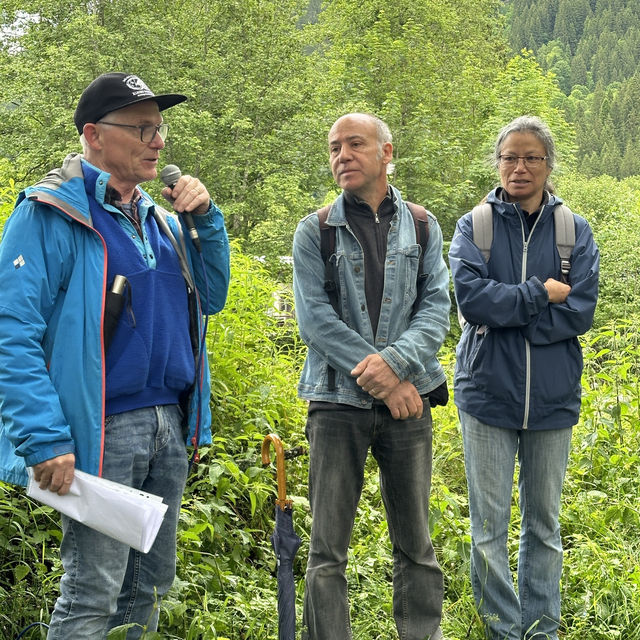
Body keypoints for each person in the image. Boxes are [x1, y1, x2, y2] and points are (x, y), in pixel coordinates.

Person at [0, 72, 230, 639]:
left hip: (166, 427)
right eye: (142, 128)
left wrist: (206, 221)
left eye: (159, 127)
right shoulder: (49, 213)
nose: (158, 141)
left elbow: (214, 294)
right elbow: (11, 331)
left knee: (149, 591)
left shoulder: (160, 218)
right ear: (93, 135)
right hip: (100, 429)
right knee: (92, 597)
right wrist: (44, 437)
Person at [292, 112, 450, 640]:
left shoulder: (424, 226)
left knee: (417, 545)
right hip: (336, 406)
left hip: (407, 408)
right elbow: (315, 320)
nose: (342, 155)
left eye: (354, 144)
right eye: (334, 147)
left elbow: (435, 311)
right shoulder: (315, 231)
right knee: (326, 550)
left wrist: (396, 367)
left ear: (386, 152)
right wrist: (387, 377)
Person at [448, 115, 599, 640]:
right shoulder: (475, 226)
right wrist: (539, 294)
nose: (520, 167)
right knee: (488, 528)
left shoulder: (574, 231)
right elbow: (471, 300)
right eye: (510, 156)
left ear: (549, 165)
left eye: (532, 157)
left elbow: (580, 311)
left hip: (553, 399)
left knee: (545, 526)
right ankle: (501, 631)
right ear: (497, 163)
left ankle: (541, 630)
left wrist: (510, 313)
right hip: (487, 395)